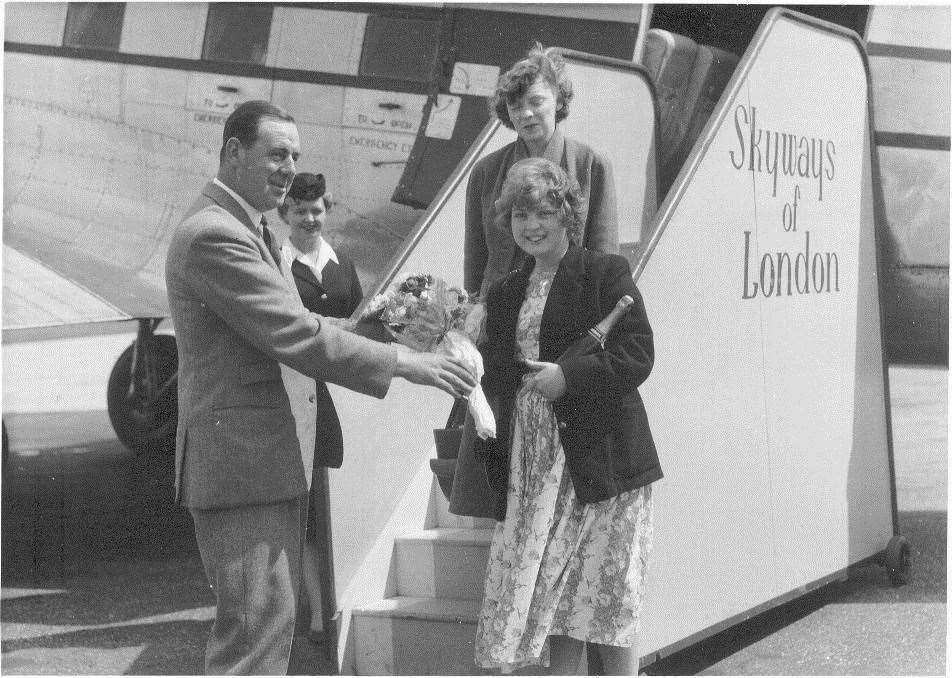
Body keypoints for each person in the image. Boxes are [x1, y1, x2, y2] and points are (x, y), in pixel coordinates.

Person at [165, 100, 475, 675]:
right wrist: (403, 362)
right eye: (275, 153)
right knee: (253, 636)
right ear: (234, 150)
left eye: (295, 156)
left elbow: (298, 323)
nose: (288, 168)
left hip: (265, 461)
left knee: (271, 623)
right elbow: (294, 333)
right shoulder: (215, 235)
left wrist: (391, 325)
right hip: (242, 468)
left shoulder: (249, 227)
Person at [472, 158, 662, 675]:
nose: (531, 226)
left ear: (567, 215)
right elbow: (499, 376)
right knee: (554, 607)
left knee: (607, 603)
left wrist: (569, 378)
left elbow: (638, 354)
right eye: (519, 216)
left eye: (542, 213)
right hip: (534, 466)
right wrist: (458, 348)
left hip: (600, 463)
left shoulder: (604, 272)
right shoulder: (507, 290)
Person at [451, 42, 619, 520]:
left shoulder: (591, 166)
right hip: (502, 328)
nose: (525, 113)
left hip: (567, 330)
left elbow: (605, 264)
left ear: (558, 101)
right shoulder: (486, 173)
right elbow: (476, 260)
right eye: (515, 104)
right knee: (503, 456)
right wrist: (472, 317)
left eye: (536, 101)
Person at [277, 172, 362, 653]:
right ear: (285, 214)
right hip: (300, 392)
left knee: (333, 500)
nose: (310, 219)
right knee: (308, 508)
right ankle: (312, 610)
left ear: (326, 211)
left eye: (317, 211)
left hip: (340, 394)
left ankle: (332, 600)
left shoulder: (341, 263)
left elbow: (359, 322)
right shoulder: (279, 264)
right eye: (300, 211)